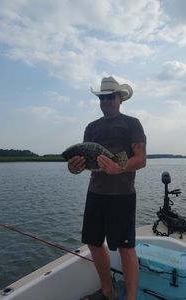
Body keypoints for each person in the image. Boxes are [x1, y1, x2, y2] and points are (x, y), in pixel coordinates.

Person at [68, 76, 146, 300]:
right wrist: (74, 167)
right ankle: (108, 291)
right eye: (102, 98)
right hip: (95, 193)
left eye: (110, 97)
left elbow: (141, 159)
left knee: (126, 248)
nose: (105, 101)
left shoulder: (132, 124)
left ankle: (131, 298)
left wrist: (118, 168)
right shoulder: (91, 127)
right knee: (93, 243)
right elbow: (82, 164)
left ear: (120, 98)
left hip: (122, 195)